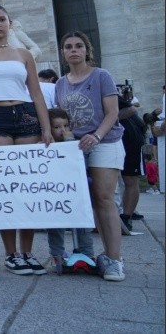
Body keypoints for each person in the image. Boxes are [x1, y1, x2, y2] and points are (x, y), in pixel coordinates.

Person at [0, 4, 53, 276]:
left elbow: (37, 93)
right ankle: (10, 254)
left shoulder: (24, 54)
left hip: (25, 115)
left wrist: (46, 127)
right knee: (5, 186)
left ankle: (27, 251)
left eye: (2, 19)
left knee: (26, 186)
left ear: (9, 23)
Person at [55, 30, 126, 282]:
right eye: (68, 46)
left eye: (78, 46)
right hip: (75, 148)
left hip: (104, 141)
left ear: (87, 50)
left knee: (104, 198)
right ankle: (101, 254)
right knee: (90, 201)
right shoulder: (61, 84)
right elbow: (62, 119)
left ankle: (115, 259)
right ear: (63, 53)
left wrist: (96, 136)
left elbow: (112, 112)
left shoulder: (101, 76)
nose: (74, 50)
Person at [45, 108, 95, 273]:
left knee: (82, 223)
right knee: (56, 224)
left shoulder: (76, 144)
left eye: (66, 126)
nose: (63, 131)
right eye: (57, 127)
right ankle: (57, 254)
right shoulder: (47, 147)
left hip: (76, 191)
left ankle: (88, 254)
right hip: (56, 193)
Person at [117, 87, 146, 231]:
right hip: (115, 138)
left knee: (130, 178)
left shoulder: (101, 85)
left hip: (130, 137)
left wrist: (110, 117)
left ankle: (126, 216)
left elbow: (132, 109)